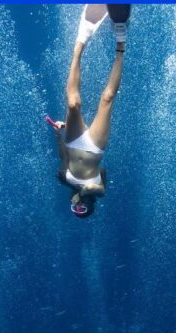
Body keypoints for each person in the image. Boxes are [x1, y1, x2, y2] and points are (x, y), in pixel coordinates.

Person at [50, 4, 129, 218]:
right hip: (95, 147)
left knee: (73, 103)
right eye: (82, 209)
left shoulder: (64, 180)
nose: (78, 206)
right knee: (107, 99)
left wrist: (58, 134)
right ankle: (121, 43)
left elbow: (63, 157)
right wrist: (82, 195)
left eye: (76, 208)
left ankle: (81, 41)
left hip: (72, 142)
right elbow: (91, 188)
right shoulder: (99, 192)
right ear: (90, 206)